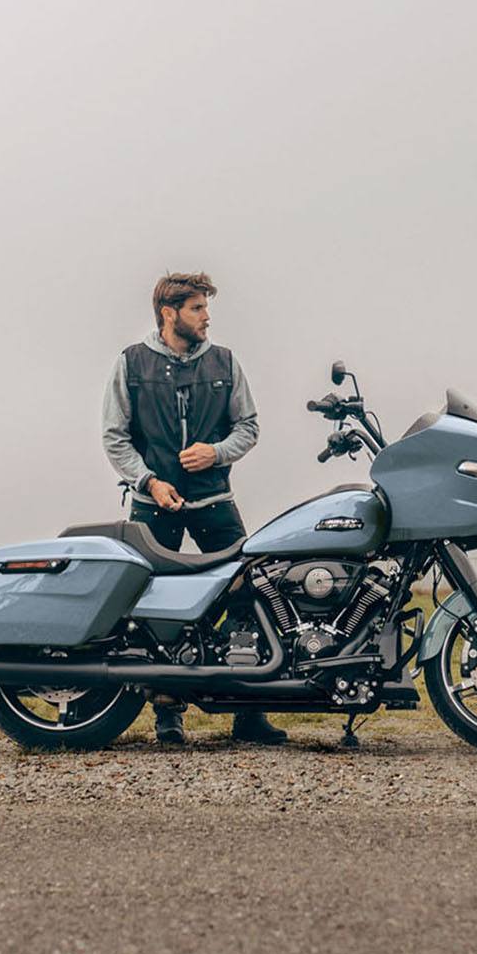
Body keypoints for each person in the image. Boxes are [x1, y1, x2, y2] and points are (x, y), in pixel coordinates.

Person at [102, 271, 285, 748]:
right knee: (155, 611)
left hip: (215, 503)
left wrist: (217, 453)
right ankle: (168, 715)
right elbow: (115, 437)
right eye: (198, 308)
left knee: (247, 594)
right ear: (170, 313)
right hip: (153, 505)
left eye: (206, 307)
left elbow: (248, 425)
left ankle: (249, 711)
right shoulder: (131, 363)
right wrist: (149, 481)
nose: (207, 317)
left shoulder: (225, 362)